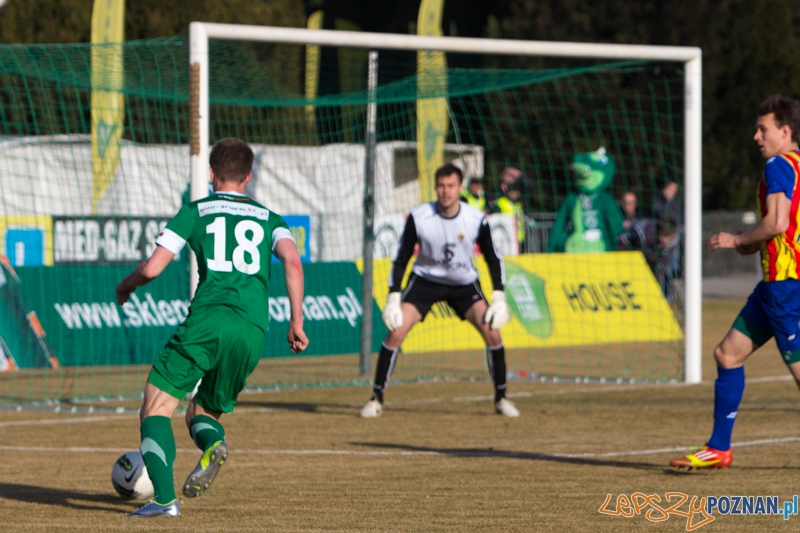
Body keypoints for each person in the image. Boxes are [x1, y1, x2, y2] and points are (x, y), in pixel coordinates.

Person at [116, 138, 309, 517]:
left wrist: (126, 285)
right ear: (248, 177)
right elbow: (293, 262)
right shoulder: (271, 218)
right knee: (200, 413)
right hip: (253, 330)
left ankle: (164, 501)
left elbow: (153, 268)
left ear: (210, 174)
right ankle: (210, 446)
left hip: (209, 319)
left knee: (156, 406)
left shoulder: (195, 211)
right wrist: (296, 321)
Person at [671, 94, 800, 470]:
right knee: (727, 353)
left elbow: (777, 223)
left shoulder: (778, 164)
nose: (756, 136)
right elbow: (786, 225)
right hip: (778, 285)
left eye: (764, 128)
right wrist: (755, 242)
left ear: (785, 130)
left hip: (784, 285)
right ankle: (718, 448)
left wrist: (737, 239)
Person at [360, 163, 519, 418]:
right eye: (441, 186)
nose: (446, 191)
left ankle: (502, 398)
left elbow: (493, 258)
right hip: (425, 281)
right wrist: (393, 297)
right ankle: (375, 398)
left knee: (492, 332)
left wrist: (498, 296)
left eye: (451, 186)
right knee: (396, 331)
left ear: (461, 188)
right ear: (436, 188)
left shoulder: (476, 219)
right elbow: (401, 259)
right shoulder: (420, 216)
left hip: (464, 284)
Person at [547, 147, 623, 253]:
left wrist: (618, 245)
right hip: (575, 249)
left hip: (602, 249)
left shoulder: (605, 199)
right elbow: (559, 225)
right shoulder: (572, 198)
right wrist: (552, 247)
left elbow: (615, 224)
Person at [495, 180, 526, 251]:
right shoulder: (501, 201)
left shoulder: (519, 204)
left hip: (519, 237)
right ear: (508, 192)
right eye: (513, 192)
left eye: (517, 192)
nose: (515, 194)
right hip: (506, 237)